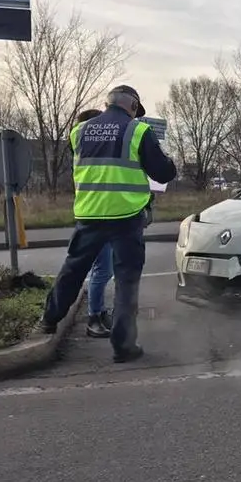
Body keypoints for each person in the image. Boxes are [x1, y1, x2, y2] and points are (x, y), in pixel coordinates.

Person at [35, 85, 176, 362]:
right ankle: (123, 347)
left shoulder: (79, 131)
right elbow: (163, 171)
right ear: (133, 106)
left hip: (89, 215)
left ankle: (48, 320)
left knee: (72, 271)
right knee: (126, 281)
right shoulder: (138, 131)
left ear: (107, 103)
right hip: (125, 217)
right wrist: (167, 161)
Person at [74, 108, 115, 339]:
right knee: (102, 270)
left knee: (102, 269)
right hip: (96, 218)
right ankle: (94, 318)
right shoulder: (88, 154)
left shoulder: (86, 152)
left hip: (99, 216)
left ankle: (98, 313)